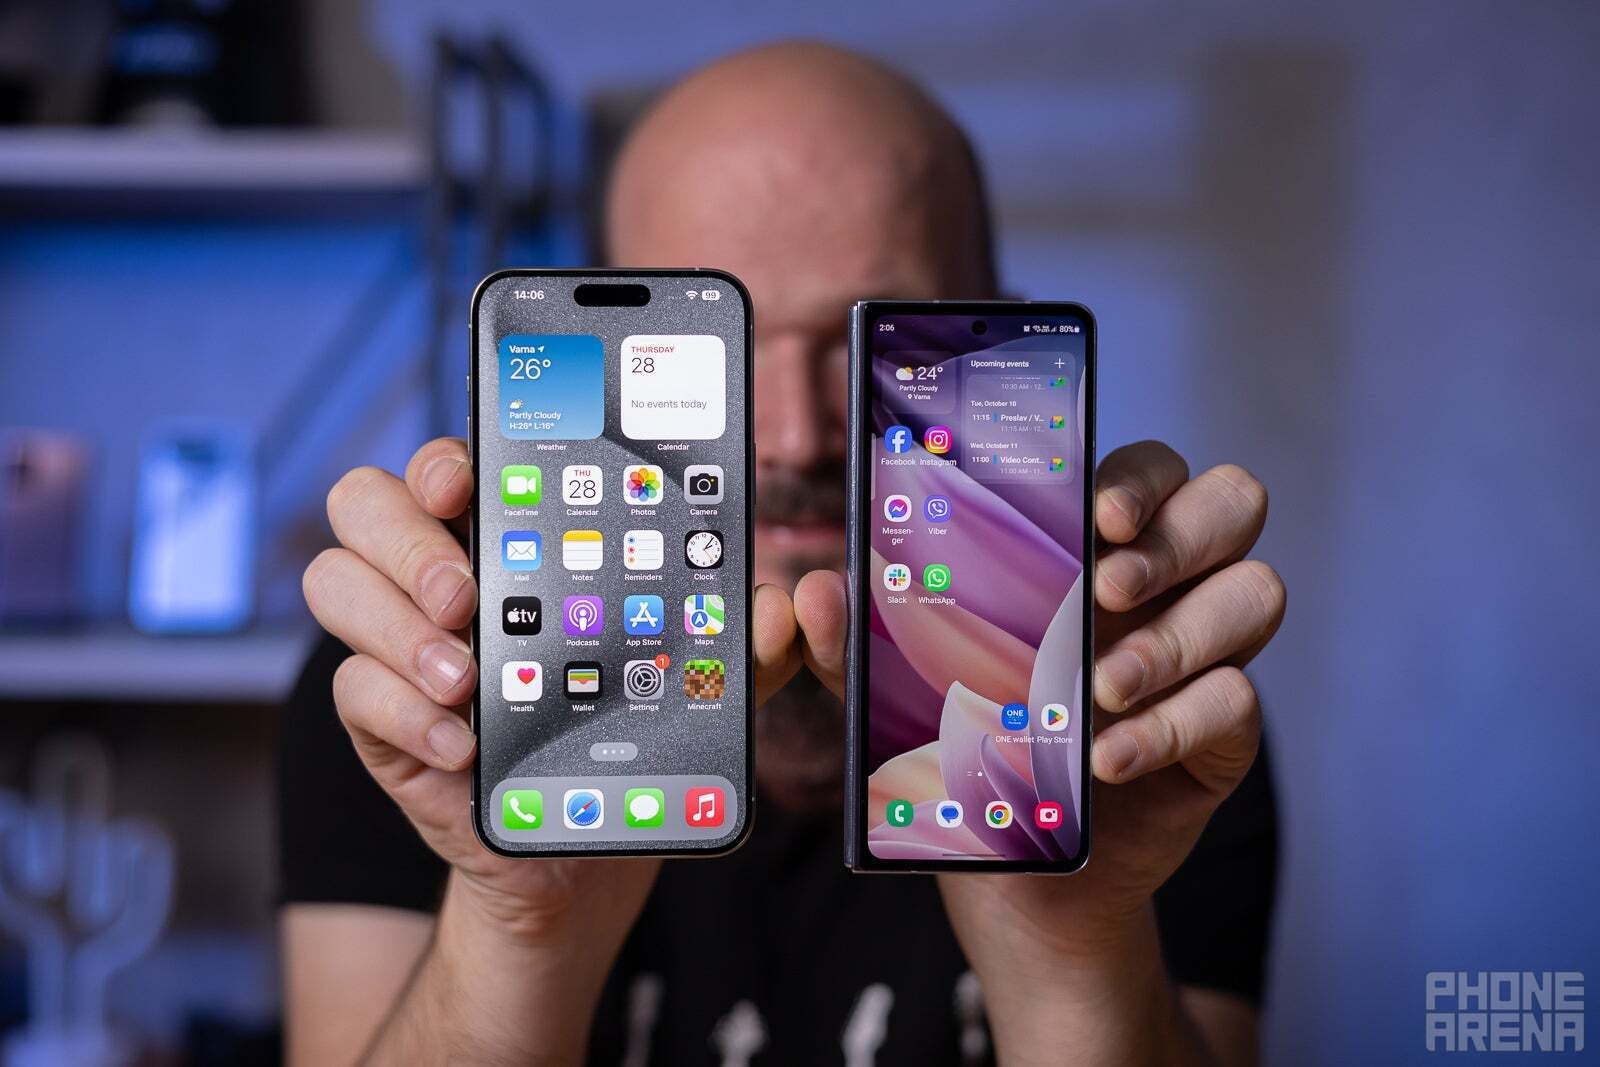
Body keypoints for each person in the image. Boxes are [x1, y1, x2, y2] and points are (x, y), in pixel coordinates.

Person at [282, 41, 1285, 1066]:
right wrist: (520, 929)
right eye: (720, 341)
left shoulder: (1123, 710)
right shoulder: (441, 685)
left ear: (1002, 349)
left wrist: (1070, 946)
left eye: (868, 336)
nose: (798, 435)